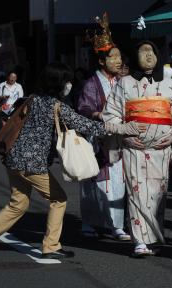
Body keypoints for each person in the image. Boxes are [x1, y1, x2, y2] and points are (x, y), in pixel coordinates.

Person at [0, 62, 144, 258]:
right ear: (58, 83)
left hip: (13, 159)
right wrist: (121, 129)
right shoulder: (56, 106)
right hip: (32, 163)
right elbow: (86, 125)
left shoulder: (32, 99)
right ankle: (51, 245)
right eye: (67, 81)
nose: (69, 84)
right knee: (58, 198)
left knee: (17, 204)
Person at [103, 40, 172, 256]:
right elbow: (111, 114)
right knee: (136, 191)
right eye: (143, 51)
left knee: (158, 192)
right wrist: (124, 134)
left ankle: (154, 234)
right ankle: (140, 240)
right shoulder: (124, 84)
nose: (149, 56)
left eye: (152, 51)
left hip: (161, 147)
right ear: (134, 56)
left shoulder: (170, 83)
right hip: (134, 146)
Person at [77, 12, 131, 240]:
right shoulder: (91, 83)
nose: (118, 61)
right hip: (97, 138)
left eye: (119, 57)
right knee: (93, 182)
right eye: (113, 57)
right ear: (101, 61)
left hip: (117, 138)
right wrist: (98, 114)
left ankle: (116, 224)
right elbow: (83, 109)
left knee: (118, 181)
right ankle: (89, 222)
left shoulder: (124, 81)